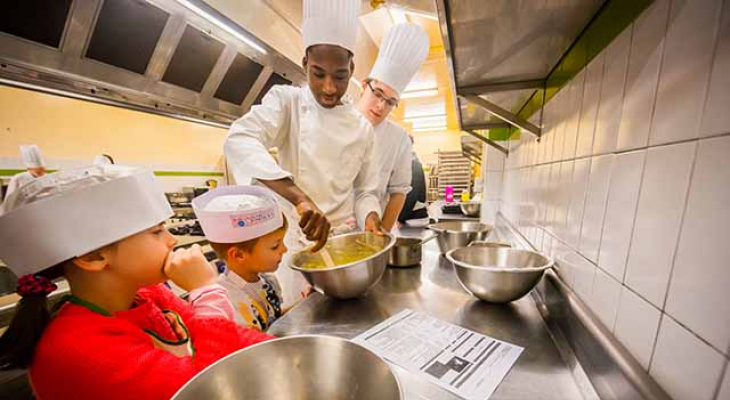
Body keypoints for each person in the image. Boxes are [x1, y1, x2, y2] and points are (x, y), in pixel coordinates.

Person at [0, 165, 272, 400]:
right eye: (156, 231)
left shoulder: (149, 296)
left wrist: (284, 350)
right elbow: (210, 388)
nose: (172, 240)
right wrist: (206, 291)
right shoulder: (77, 349)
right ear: (94, 257)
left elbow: (237, 343)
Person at [225, 0, 383, 305]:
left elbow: (365, 191)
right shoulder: (288, 103)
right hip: (291, 246)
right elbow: (239, 138)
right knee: (297, 315)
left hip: (341, 246)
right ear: (304, 65)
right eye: (317, 73)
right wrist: (300, 198)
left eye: (339, 76)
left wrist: (372, 218)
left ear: (352, 69)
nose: (328, 87)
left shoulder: (362, 128)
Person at [356, 23, 430, 231]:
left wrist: (383, 236)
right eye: (378, 94)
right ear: (364, 86)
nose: (381, 106)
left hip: (372, 231)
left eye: (390, 102)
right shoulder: (337, 122)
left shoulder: (399, 139)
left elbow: (399, 191)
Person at [193, 186, 290, 331]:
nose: (285, 249)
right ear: (238, 255)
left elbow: (273, 321)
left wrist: (305, 303)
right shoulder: (225, 301)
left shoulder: (269, 281)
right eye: (275, 246)